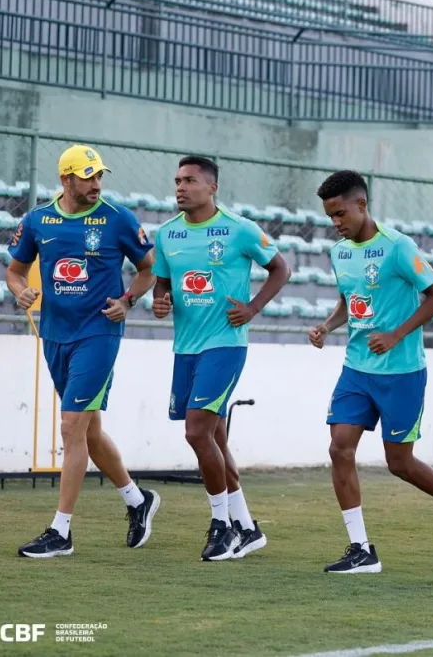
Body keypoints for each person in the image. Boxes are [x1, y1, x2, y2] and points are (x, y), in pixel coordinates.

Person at [309, 170, 433, 574]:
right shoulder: (340, 252)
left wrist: (395, 334)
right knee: (339, 448)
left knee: (399, 463)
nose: (335, 223)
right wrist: (326, 326)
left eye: (340, 214)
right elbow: (347, 302)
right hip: (356, 369)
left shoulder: (398, 247)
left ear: (362, 205)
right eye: (330, 216)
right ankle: (360, 549)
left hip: (402, 372)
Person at [7, 144, 160, 557]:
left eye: (99, 176)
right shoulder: (38, 220)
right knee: (89, 432)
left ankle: (61, 531)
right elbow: (15, 271)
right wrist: (21, 292)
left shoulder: (116, 218)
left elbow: (149, 267)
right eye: (88, 176)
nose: (97, 184)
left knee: (71, 426)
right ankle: (136, 500)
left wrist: (128, 300)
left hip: (99, 334)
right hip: (55, 335)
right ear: (66, 179)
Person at [151, 156, 291, 561]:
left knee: (197, 432)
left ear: (212, 187)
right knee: (214, 438)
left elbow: (280, 269)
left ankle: (221, 526)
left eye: (190, 180)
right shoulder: (168, 235)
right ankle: (247, 527)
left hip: (226, 343)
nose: (180, 186)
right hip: (186, 347)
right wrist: (161, 301)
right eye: (177, 180)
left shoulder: (239, 229)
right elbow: (162, 282)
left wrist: (251, 308)